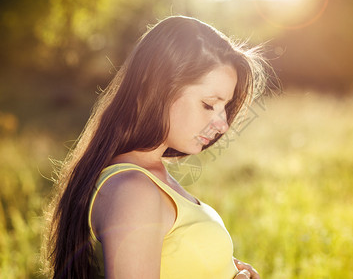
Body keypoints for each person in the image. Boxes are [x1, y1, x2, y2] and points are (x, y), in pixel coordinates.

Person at [43, 15, 277, 279]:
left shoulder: (150, 179)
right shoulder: (133, 191)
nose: (223, 125)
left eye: (225, 107)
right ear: (155, 87)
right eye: (209, 104)